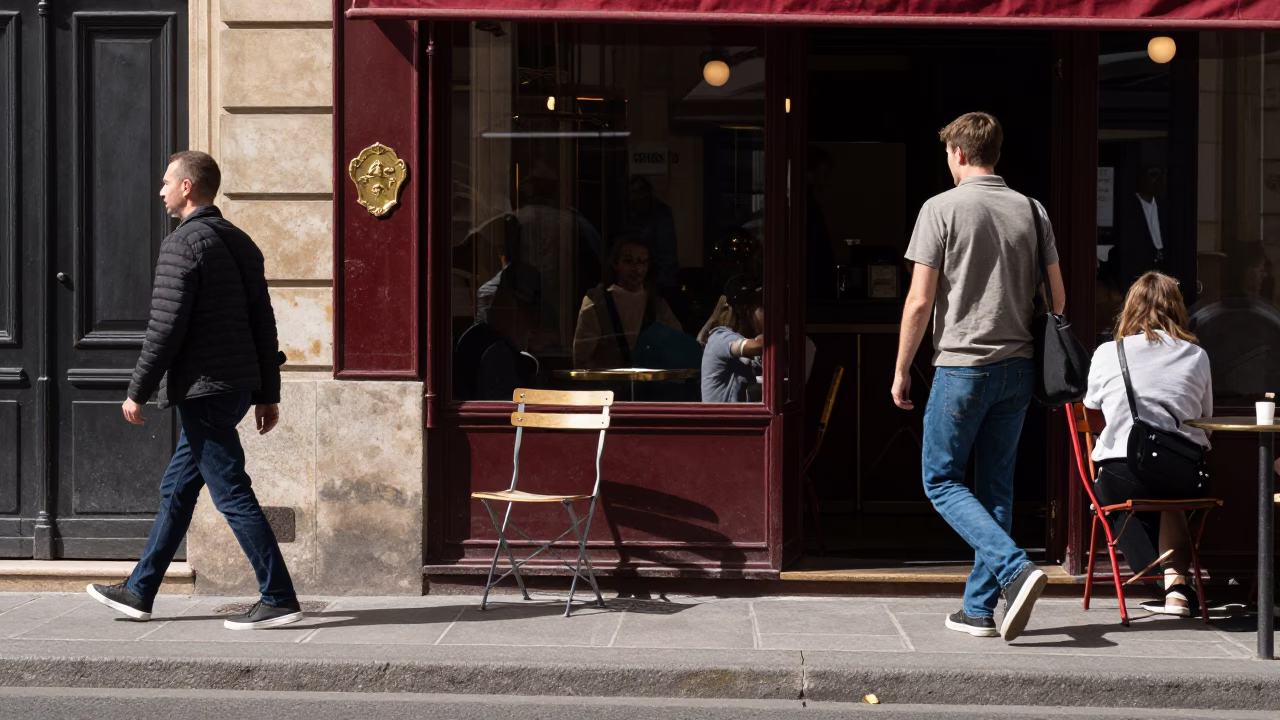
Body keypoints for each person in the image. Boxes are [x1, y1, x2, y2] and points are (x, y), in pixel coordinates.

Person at [86, 151, 302, 630]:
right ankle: (140, 591)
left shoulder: (183, 244)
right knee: (177, 490)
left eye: (166, 182)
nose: (160, 190)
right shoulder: (241, 242)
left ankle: (279, 596)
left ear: (187, 187)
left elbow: (165, 329)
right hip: (235, 385)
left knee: (231, 493)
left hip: (204, 388)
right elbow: (263, 324)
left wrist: (137, 390)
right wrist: (268, 392)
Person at [892, 112, 1065, 641]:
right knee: (995, 488)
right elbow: (1058, 300)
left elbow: (920, 301)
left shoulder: (939, 209)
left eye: (947, 154)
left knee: (940, 479)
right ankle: (978, 610)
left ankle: (1015, 568)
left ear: (960, 154)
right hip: (1018, 370)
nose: (947, 162)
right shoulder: (1032, 211)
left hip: (962, 369)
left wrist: (901, 369)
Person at [1084, 271, 1213, 617]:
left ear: (1130, 307)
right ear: (1177, 308)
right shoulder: (1196, 355)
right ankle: (1176, 591)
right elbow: (1205, 421)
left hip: (1122, 470)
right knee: (1173, 500)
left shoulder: (1108, 352)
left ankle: (1157, 581)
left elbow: (1093, 417)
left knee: (1111, 493)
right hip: (1183, 473)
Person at [573, 236, 682, 369]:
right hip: (606, 385)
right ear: (616, 263)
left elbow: (677, 345)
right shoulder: (596, 303)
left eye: (642, 262)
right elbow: (581, 359)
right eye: (628, 261)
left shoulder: (656, 304)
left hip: (647, 385)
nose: (636, 268)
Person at [701, 275, 764, 403]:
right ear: (746, 311)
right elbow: (758, 345)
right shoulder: (719, 338)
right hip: (723, 421)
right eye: (764, 309)